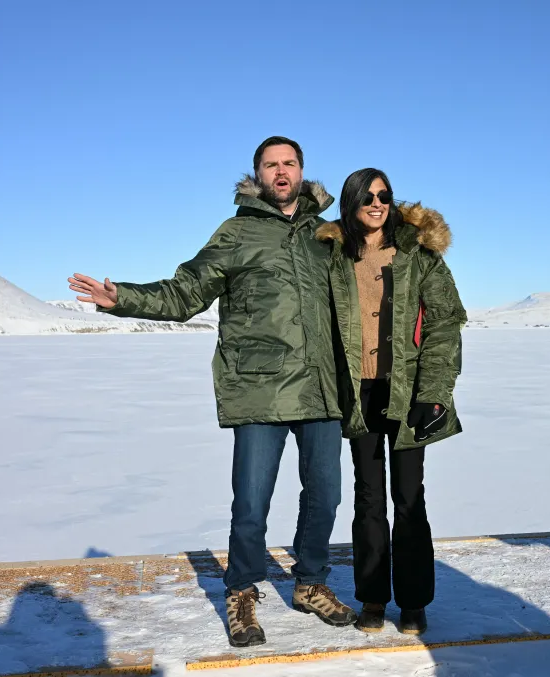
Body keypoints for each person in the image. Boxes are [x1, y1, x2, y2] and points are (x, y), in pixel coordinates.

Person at [68, 137, 357, 648]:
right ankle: (242, 591)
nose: (281, 172)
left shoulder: (328, 234)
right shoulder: (236, 232)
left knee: (326, 496)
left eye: (289, 163)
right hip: (257, 388)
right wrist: (122, 299)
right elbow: (186, 293)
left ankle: (310, 583)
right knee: (250, 503)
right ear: (257, 176)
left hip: (322, 386)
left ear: (303, 171)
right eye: (271, 165)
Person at [316, 168, 466, 635]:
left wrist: (434, 394)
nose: (376, 204)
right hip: (357, 394)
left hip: (406, 394)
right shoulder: (333, 256)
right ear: (351, 204)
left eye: (384, 196)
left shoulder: (418, 254)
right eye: (367, 198)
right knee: (368, 499)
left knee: (409, 496)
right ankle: (373, 598)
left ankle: (415, 600)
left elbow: (444, 324)